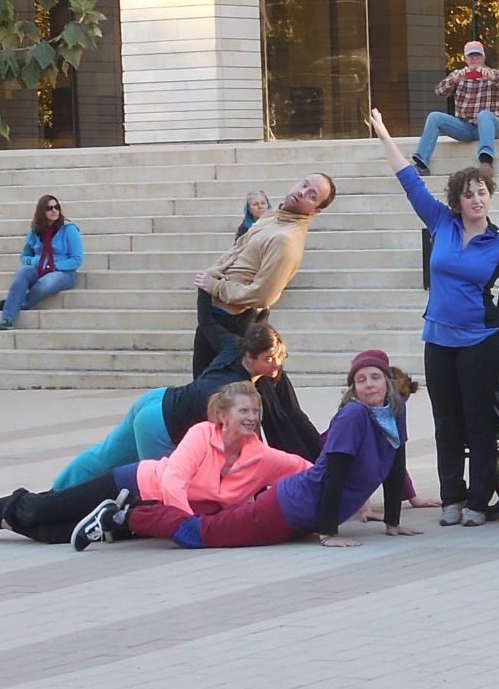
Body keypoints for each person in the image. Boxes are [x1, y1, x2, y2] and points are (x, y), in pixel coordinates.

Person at [368, 106, 499, 526]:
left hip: (478, 342)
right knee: (445, 422)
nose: (475, 199)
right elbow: (408, 180)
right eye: (468, 193)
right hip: (438, 338)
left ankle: (477, 501)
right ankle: (450, 498)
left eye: (481, 192)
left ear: (489, 196)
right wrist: (384, 135)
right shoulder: (441, 223)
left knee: (478, 421)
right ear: (458, 199)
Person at [81, 351, 420, 552]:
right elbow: (333, 475)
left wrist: (393, 521)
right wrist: (329, 533)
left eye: (376, 378)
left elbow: (395, 464)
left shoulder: (393, 414)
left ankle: (129, 518)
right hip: (289, 507)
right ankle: (123, 516)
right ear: (354, 389)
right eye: (361, 380)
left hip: (302, 517)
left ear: (388, 384)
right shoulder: (354, 416)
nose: (370, 384)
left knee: (210, 526)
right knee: (202, 535)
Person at [0, 382, 312, 546]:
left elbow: (306, 469)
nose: (252, 418)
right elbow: (173, 479)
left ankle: (1, 523)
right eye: (244, 411)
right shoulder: (203, 433)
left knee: (59, 534)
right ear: (223, 415)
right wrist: (188, 526)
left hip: (146, 514)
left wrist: (351, 501)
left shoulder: (261, 457)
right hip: (132, 485)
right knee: (49, 506)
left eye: (256, 412)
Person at [47, 323, 311, 490]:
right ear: (251, 357)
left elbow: (209, 322)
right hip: (158, 426)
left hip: (158, 400)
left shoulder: (234, 345)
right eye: (269, 359)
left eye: (280, 356)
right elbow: (249, 444)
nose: (276, 364)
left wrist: (206, 289)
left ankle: (57, 491)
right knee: (156, 487)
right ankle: (66, 504)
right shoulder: (236, 390)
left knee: (104, 456)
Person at [191, 171, 336, 377]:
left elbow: (263, 295)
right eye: (304, 184)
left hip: (232, 323)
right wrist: (214, 270)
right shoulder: (273, 215)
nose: (302, 192)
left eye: (312, 195)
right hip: (216, 315)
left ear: (316, 210)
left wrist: (215, 286)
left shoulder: (286, 240)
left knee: (216, 400)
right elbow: (239, 248)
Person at [411, 41, 499, 178]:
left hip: (492, 126)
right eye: (471, 55)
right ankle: (421, 164)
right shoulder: (458, 74)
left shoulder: (496, 74)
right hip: (466, 127)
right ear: (465, 58)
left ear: (483, 57)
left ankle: (486, 162)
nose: (475, 59)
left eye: (478, 55)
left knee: (484, 115)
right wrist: (454, 80)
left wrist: (494, 79)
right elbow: (439, 91)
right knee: (434, 117)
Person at [0, 194, 82, 331]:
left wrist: (52, 265)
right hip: (39, 267)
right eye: (49, 208)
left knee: (47, 283)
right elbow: (25, 256)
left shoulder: (68, 229)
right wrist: (36, 261)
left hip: (62, 272)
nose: (54, 210)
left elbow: (76, 259)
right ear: (42, 211)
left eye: (56, 207)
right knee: (22, 272)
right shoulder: (35, 230)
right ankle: (7, 319)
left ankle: (20, 303)